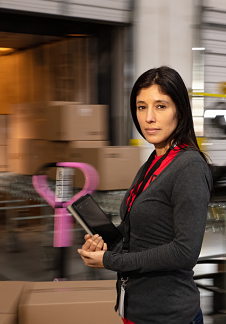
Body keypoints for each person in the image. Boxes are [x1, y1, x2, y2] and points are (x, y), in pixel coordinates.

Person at [78, 66, 212, 324]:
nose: (149, 117)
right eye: (141, 107)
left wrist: (110, 260)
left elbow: (185, 252)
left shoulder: (189, 167)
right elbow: (139, 233)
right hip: (136, 308)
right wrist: (106, 244)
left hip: (168, 314)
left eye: (161, 106)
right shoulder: (154, 160)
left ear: (180, 111)